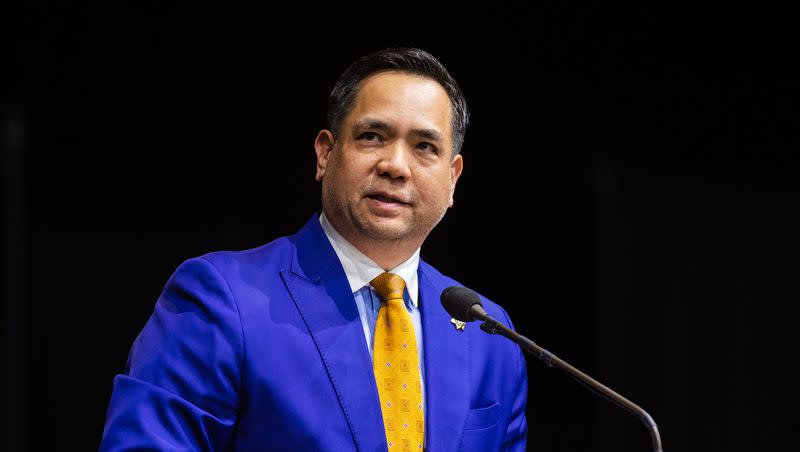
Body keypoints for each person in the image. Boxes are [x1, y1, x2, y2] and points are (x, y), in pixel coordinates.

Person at [100, 47, 528, 451]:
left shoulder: (488, 335)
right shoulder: (223, 298)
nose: (395, 165)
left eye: (424, 147)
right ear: (325, 154)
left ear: (453, 179)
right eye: (372, 136)